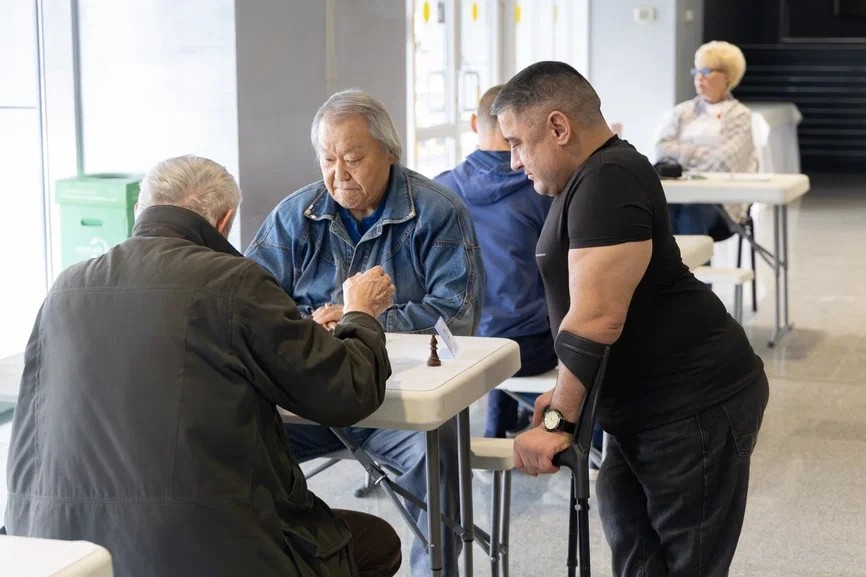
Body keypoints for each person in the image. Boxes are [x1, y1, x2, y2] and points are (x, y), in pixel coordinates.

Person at [4, 155, 402, 577]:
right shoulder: (235, 282)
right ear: (225, 221)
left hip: (57, 551)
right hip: (204, 553)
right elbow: (348, 390)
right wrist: (361, 314)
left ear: (140, 209)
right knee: (378, 543)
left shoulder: (65, 287)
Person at [493, 62, 769, 577]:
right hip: (639, 404)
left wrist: (559, 420)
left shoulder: (608, 179)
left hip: (692, 403)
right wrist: (566, 392)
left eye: (517, 144)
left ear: (558, 127)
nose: (513, 161)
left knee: (685, 564)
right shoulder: (590, 176)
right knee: (637, 554)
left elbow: (597, 317)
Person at [246, 89, 484, 577]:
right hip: (308, 402)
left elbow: (456, 316)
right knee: (232, 443)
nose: (338, 173)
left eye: (353, 159)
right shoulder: (295, 216)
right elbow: (249, 306)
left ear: (390, 152)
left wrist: (365, 319)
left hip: (398, 402)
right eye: (327, 159)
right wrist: (312, 323)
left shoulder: (438, 212)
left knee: (438, 456)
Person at [434, 84, 556, 439]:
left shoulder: (438, 189)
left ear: (475, 123)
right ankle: (578, 439)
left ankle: (497, 426)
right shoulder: (542, 190)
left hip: (455, 344)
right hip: (525, 349)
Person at [655, 40, 758, 238]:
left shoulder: (739, 115)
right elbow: (661, 150)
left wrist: (682, 156)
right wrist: (700, 153)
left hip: (721, 201)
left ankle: (691, 259)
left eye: (707, 72)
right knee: (657, 211)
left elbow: (723, 162)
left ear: (727, 77)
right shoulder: (682, 111)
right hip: (678, 194)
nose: (699, 78)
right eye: (696, 72)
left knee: (691, 212)